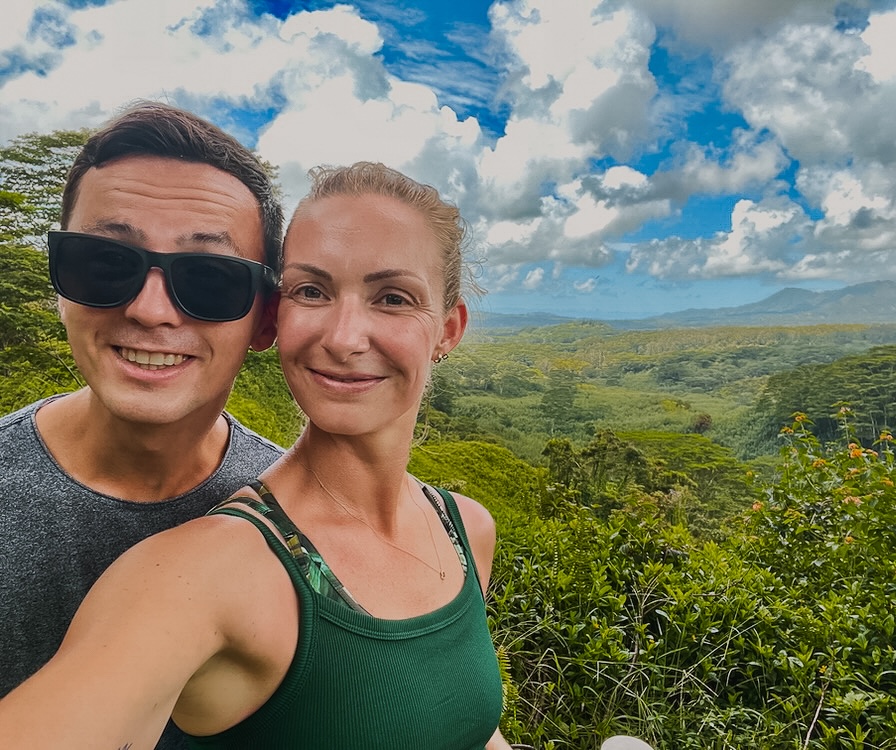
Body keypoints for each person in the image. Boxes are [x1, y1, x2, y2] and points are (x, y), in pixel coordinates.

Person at [0, 162, 513, 749]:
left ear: (448, 330)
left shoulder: (464, 528)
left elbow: (456, 720)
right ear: (275, 315)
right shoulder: (203, 570)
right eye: (312, 291)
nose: (345, 337)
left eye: (392, 298)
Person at [0, 102, 284, 749]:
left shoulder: (300, 518)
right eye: (105, 264)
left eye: (209, 279)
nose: (150, 309)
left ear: (266, 319)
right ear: (59, 281)